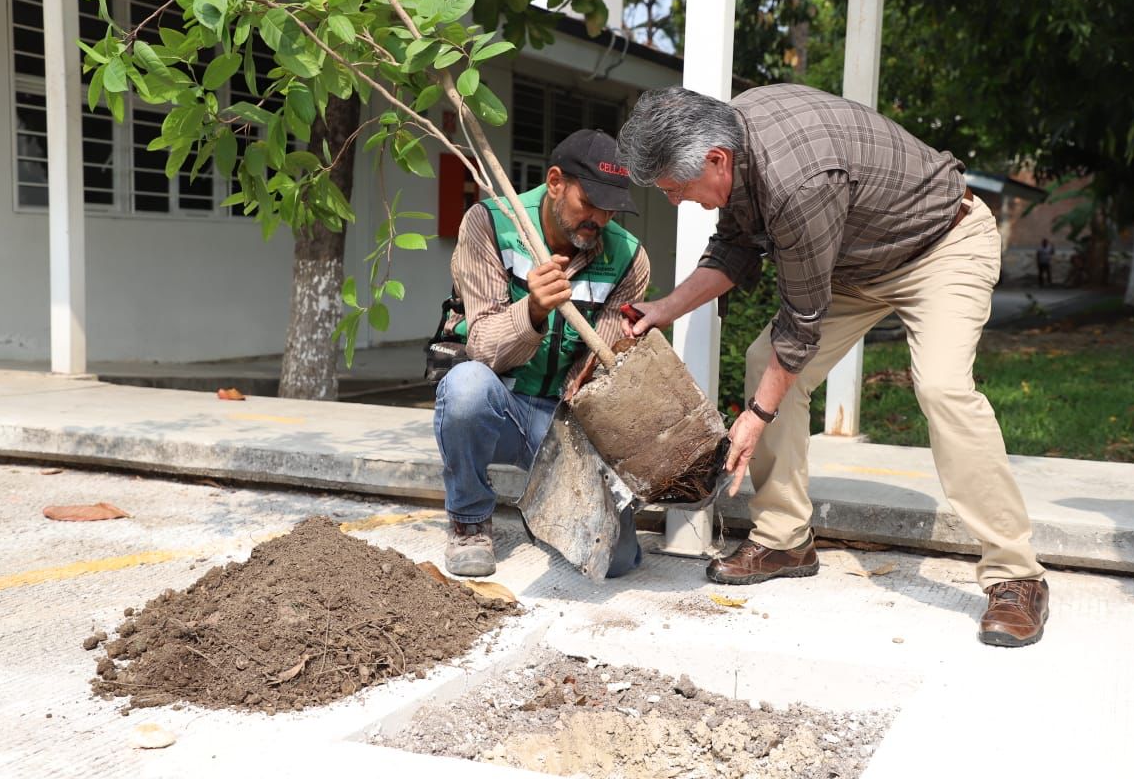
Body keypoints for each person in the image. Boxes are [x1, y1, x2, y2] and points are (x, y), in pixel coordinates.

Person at [617, 85, 1049, 647]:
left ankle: (1016, 575)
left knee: (942, 388)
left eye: (676, 190)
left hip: (940, 245)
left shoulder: (799, 181)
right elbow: (734, 248)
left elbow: (802, 322)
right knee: (760, 362)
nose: (675, 201)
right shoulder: (733, 137)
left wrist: (754, 417)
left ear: (716, 160)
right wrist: (664, 308)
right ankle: (783, 537)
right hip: (855, 263)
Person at [434, 129, 650, 579]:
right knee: (465, 388)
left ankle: (550, 508)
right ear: (555, 182)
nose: (600, 218)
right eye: (588, 203)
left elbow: (597, 376)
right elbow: (484, 349)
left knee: (618, 561)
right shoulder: (490, 224)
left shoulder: (629, 258)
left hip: (566, 423)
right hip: (503, 406)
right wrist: (532, 311)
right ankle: (470, 522)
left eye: (610, 207)